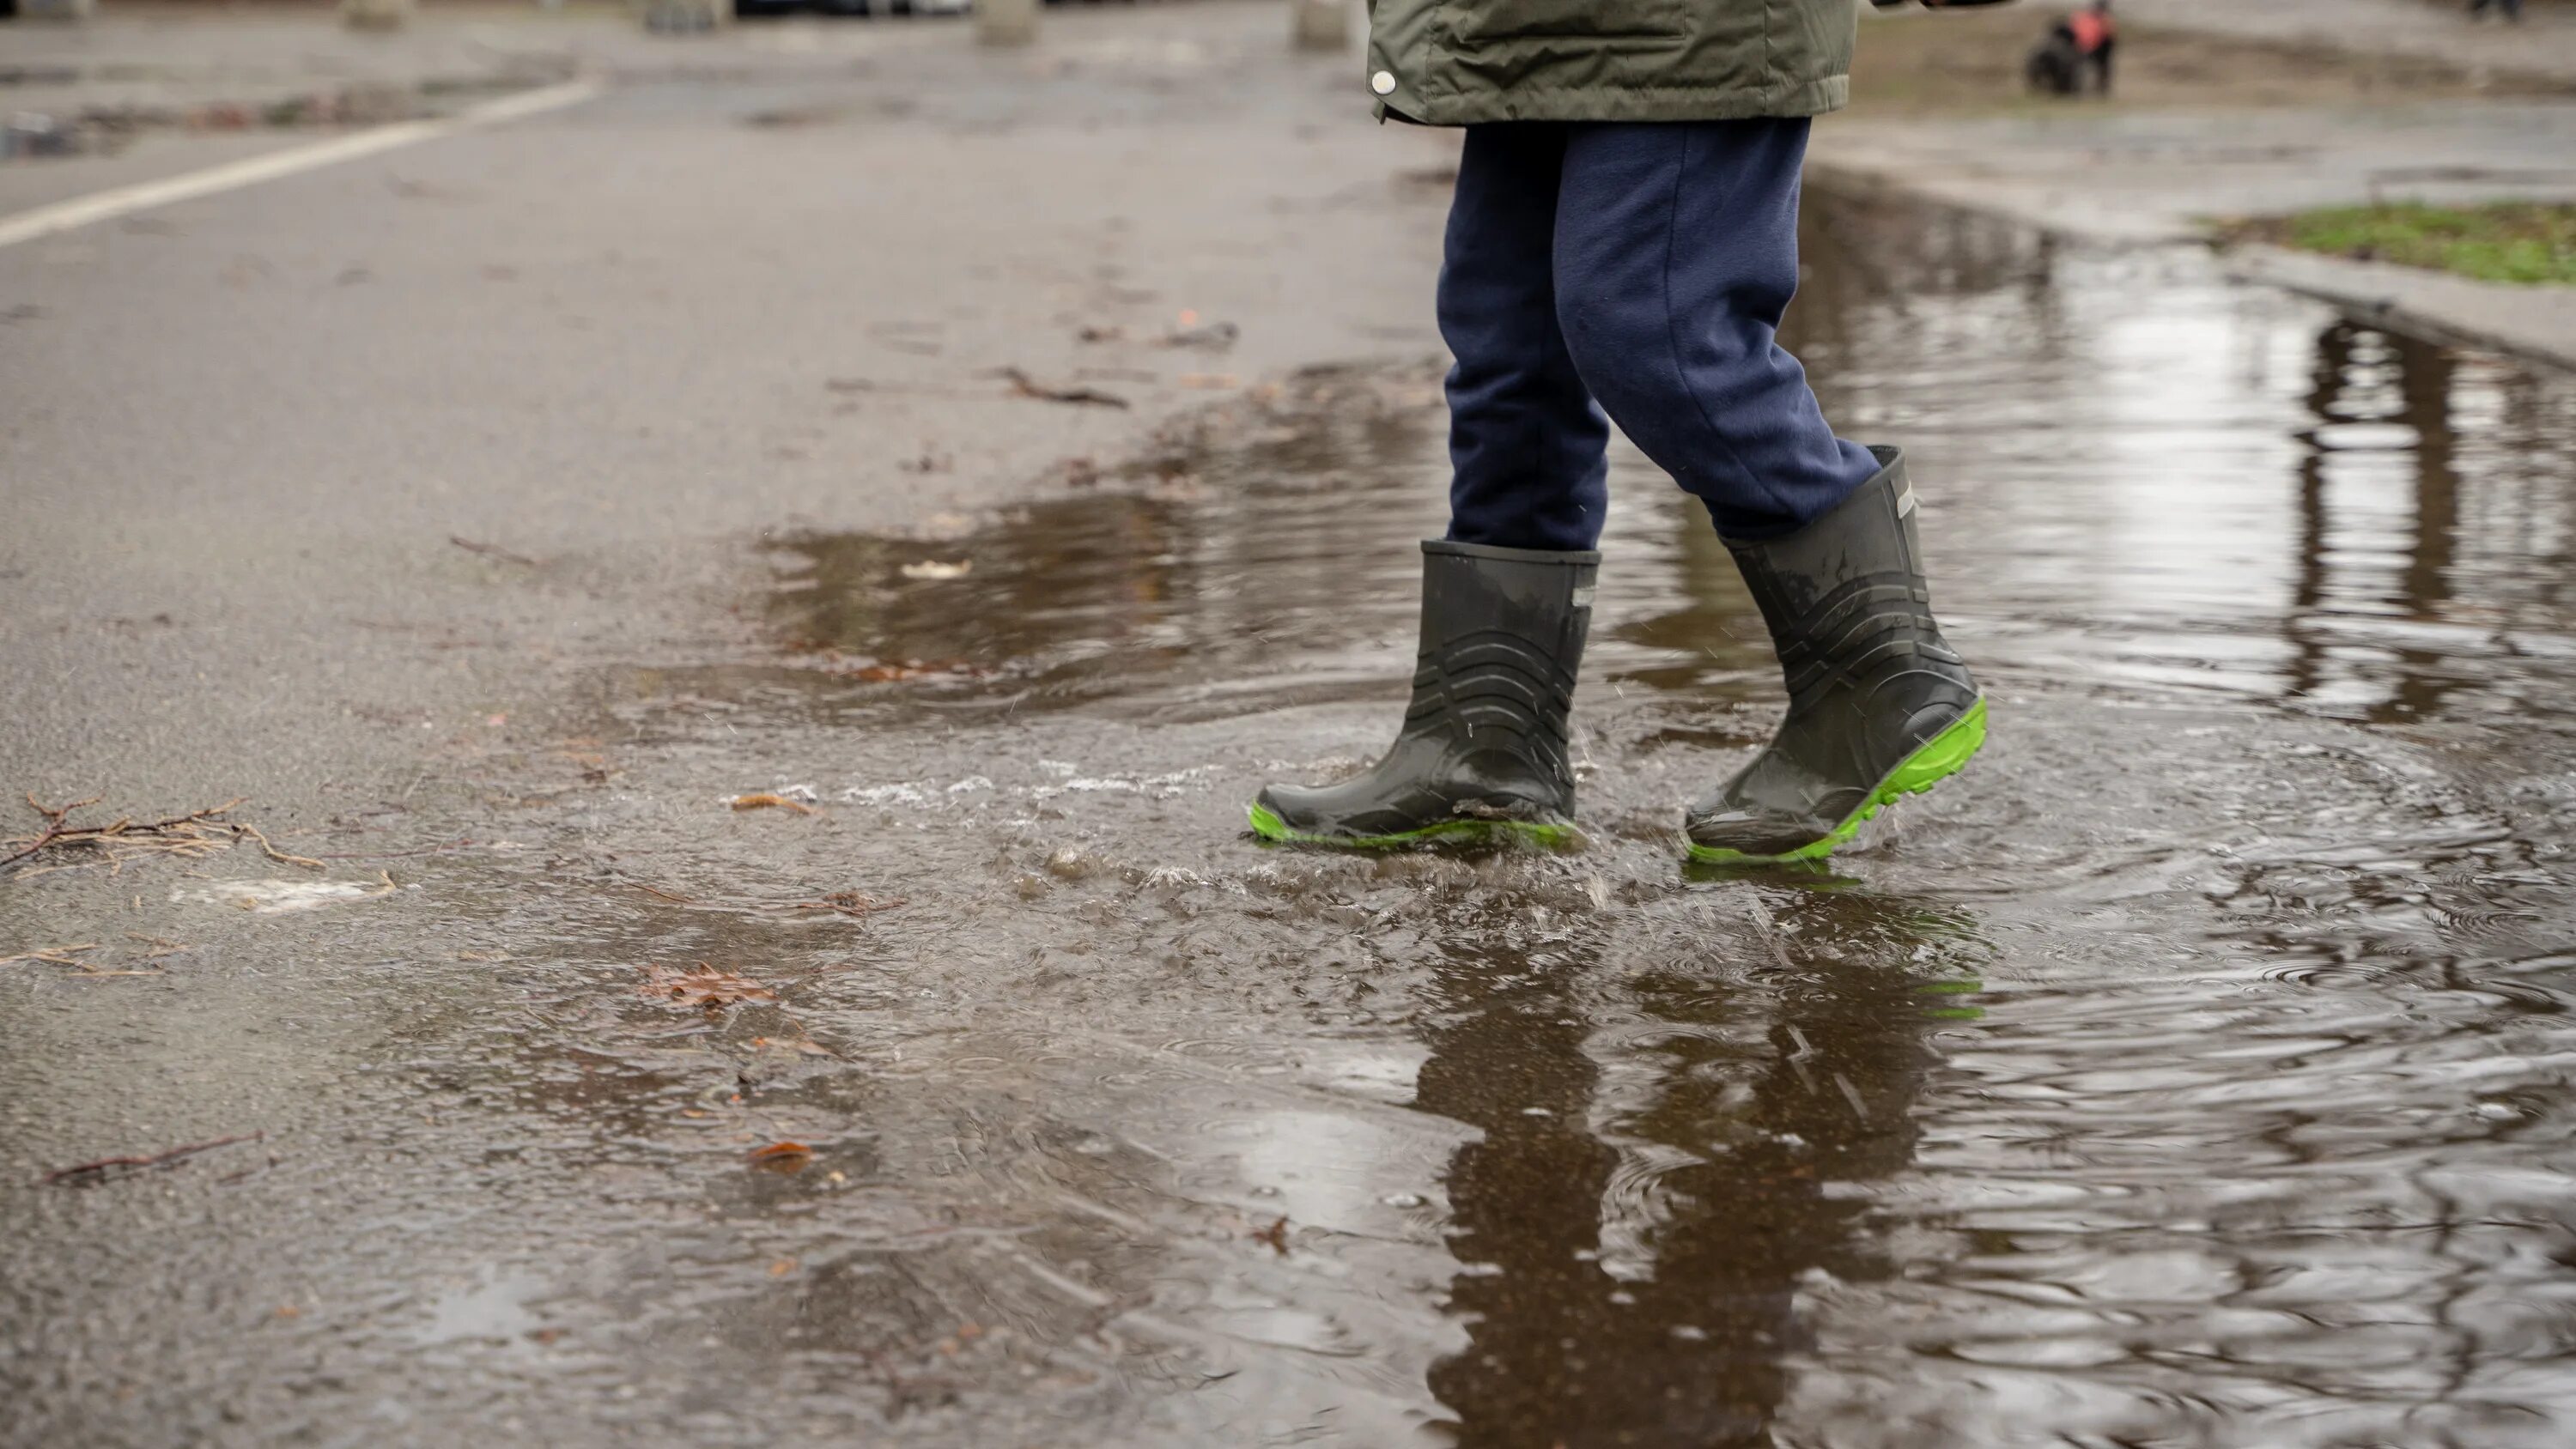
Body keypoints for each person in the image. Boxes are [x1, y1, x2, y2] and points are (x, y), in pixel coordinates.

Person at [1250, 0, 1996, 864]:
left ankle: (1877, 669)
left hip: (1685, 24)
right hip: (1515, 23)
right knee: (1510, 345)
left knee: (1655, 326)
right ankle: (1486, 742)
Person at [2028, 1, 2116, 96]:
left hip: (2086, 50)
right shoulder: (2086, 19)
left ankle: (2097, 91)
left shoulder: (2101, 22)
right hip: (2078, 48)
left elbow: (2106, 41)